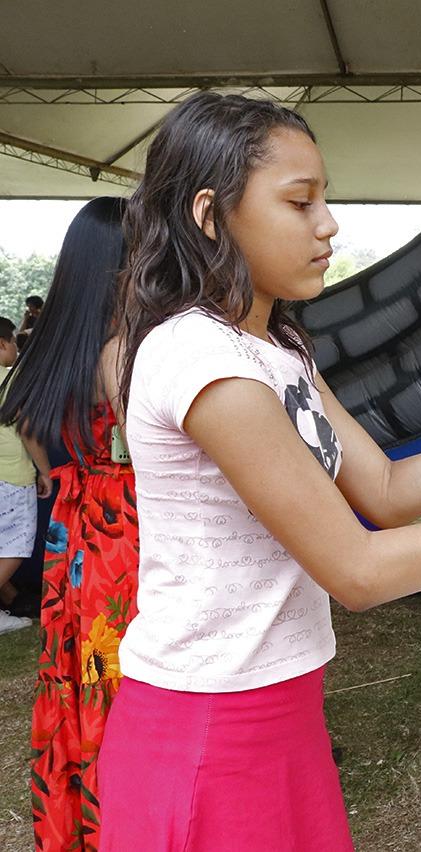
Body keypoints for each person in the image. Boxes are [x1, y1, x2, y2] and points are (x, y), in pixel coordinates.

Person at [95, 91, 421, 851]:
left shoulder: (277, 351)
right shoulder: (202, 361)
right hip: (209, 723)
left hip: (281, 707)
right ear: (211, 216)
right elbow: (358, 571)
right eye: (299, 202)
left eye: (326, 200)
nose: (328, 224)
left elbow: (385, 492)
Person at [0, 196, 137, 851]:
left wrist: (60, 475)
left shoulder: (51, 345)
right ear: (123, 267)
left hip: (72, 536)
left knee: (79, 676)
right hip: (121, 536)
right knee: (119, 680)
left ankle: (78, 826)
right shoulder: (125, 354)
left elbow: (25, 421)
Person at [0, 316, 44, 634]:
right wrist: (46, 471)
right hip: (13, 475)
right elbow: (27, 430)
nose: (16, 348)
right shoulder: (10, 380)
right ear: (2, 344)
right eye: (14, 342)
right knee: (16, 546)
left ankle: (8, 601)